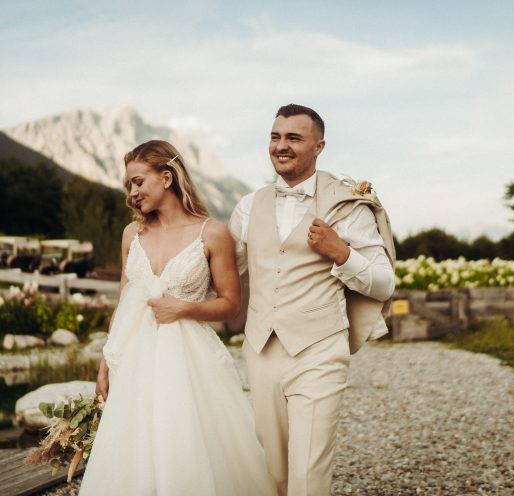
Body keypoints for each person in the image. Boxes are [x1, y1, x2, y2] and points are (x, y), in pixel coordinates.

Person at [79, 140, 275, 495]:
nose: (132, 193)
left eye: (138, 182)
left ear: (166, 177)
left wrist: (183, 308)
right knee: (133, 451)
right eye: (128, 186)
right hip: (135, 359)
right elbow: (125, 302)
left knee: (186, 445)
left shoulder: (212, 233)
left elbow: (231, 305)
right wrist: (106, 362)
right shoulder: (131, 235)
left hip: (190, 363)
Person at [229, 104, 396, 495]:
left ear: (319, 146)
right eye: (275, 136)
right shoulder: (248, 206)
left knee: (308, 469)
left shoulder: (347, 205)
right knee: (272, 467)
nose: (280, 146)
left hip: (320, 349)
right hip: (260, 347)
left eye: (293, 138)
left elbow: (384, 283)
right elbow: (223, 275)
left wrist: (341, 252)